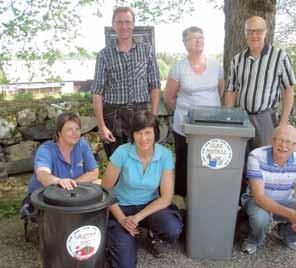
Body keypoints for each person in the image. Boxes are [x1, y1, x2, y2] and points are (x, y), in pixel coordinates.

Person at [102, 110, 182, 268]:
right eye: (138, 133)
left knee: (172, 228)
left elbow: (166, 198)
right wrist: (122, 219)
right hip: (121, 207)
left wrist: (136, 218)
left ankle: (152, 235)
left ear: (155, 132)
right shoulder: (122, 152)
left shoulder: (165, 155)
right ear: (132, 134)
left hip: (149, 207)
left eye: (148, 132)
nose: (143, 138)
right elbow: (105, 189)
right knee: (124, 264)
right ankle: (119, 238)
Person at [91, 6, 161, 157]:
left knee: (143, 160)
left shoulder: (147, 51)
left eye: (127, 22)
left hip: (141, 113)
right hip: (114, 115)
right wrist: (102, 126)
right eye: (120, 22)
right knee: (117, 162)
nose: (124, 26)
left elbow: (155, 85)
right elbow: (97, 92)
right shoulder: (104, 55)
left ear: (133, 24)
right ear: (113, 25)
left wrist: (153, 119)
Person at [240, 124, 296, 254]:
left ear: (295, 146)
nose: (283, 146)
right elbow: (259, 196)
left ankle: (284, 234)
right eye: (280, 140)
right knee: (261, 219)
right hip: (256, 201)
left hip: (284, 200)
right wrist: (291, 215)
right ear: (272, 140)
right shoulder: (256, 156)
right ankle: (254, 239)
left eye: (289, 142)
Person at [163, 26, 224, 196]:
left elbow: (219, 91)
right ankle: (182, 200)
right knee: (185, 163)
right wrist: (188, 114)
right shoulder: (178, 68)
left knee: (210, 160)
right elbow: (169, 97)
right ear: (185, 43)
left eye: (201, 37)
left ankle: (207, 196)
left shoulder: (215, 66)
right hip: (184, 127)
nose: (198, 41)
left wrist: (207, 111)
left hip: (212, 126)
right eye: (193, 38)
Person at [225, 16, 296, 149]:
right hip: (242, 117)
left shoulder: (279, 56)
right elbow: (231, 90)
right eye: (250, 31)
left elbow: (289, 90)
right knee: (240, 159)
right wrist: (229, 118)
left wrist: (283, 123)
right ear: (245, 33)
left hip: (265, 118)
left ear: (265, 32)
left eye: (258, 31)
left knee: (264, 158)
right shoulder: (237, 59)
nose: (254, 35)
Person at [27, 112, 99, 194]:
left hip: (69, 193)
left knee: (99, 183)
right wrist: (58, 181)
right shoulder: (46, 150)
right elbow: (42, 174)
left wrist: (71, 183)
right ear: (59, 132)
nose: (74, 133)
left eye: (77, 129)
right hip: (43, 196)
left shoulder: (82, 145)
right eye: (69, 129)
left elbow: (94, 173)